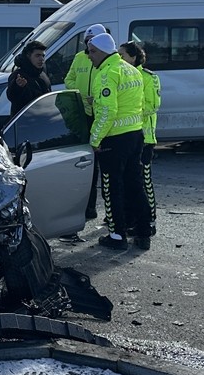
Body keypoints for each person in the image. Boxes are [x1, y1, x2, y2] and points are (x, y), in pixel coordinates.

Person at [87, 32, 151, 250]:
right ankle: (143, 233)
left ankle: (117, 236)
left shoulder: (107, 73)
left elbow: (108, 110)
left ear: (103, 52)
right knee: (135, 184)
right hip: (135, 134)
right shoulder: (132, 70)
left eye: (92, 51)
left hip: (114, 139)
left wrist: (94, 139)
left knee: (111, 187)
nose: (89, 56)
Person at [65, 24, 108, 220]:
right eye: (87, 41)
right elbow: (69, 79)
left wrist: (96, 97)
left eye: (93, 41)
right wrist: (82, 96)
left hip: (99, 114)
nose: (89, 45)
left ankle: (94, 208)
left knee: (99, 166)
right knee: (85, 164)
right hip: (83, 114)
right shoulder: (80, 58)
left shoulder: (105, 61)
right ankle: (85, 207)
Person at [119, 41, 160, 239]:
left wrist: (128, 110)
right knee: (130, 183)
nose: (120, 59)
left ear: (134, 57)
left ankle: (149, 220)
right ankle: (131, 219)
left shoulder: (147, 78)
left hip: (144, 137)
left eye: (123, 55)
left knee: (145, 182)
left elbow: (152, 105)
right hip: (129, 136)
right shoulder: (121, 74)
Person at [6, 40, 51, 119]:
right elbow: (12, 96)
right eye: (37, 56)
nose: (41, 59)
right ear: (28, 56)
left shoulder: (43, 74)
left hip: (43, 120)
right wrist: (19, 87)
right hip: (24, 122)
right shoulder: (18, 75)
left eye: (43, 56)